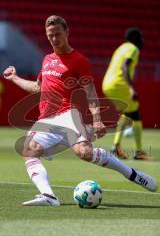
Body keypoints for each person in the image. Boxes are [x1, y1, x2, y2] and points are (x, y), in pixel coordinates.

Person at [3, 16, 157, 206]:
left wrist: (97, 118)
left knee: (84, 152)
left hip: (68, 115)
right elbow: (38, 88)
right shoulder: (47, 59)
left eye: (57, 34)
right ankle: (49, 196)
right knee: (28, 150)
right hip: (46, 119)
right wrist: (15, 78)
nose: (54, 38)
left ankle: (131, 173)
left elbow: (90, 91)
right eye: (50, 35)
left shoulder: (78, 60)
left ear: (67, 33)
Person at [102, 28, 151, 160]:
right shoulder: (133, 49)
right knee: (136, 115)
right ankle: (139, 152)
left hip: (107, 84)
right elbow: (124, 67)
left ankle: (116, 146)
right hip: (119, 84)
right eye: (140, 37)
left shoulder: (120, 48)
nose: (142, 40)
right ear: (135, 39)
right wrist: (131, 88)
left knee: (126, 114)